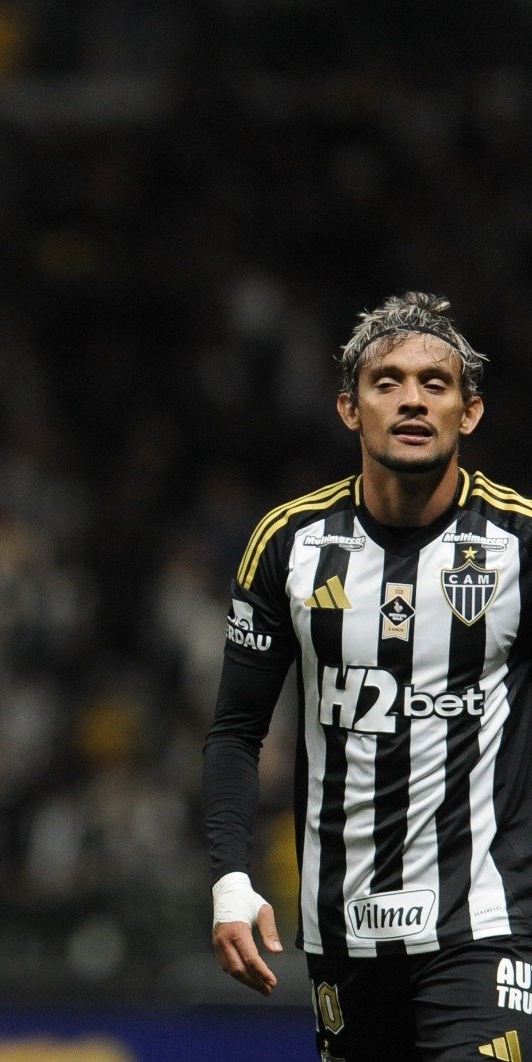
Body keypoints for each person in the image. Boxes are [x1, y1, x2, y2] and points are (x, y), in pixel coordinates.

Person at [203, 292, 532, 1060]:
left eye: (435, 383)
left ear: (470, 412)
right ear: (350, 409)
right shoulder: (288, 545)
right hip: (342, 932)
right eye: (387, 381)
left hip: (487, 923)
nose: (412, 398)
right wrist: (229, 878)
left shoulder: (520, 541)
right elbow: (234, 732)